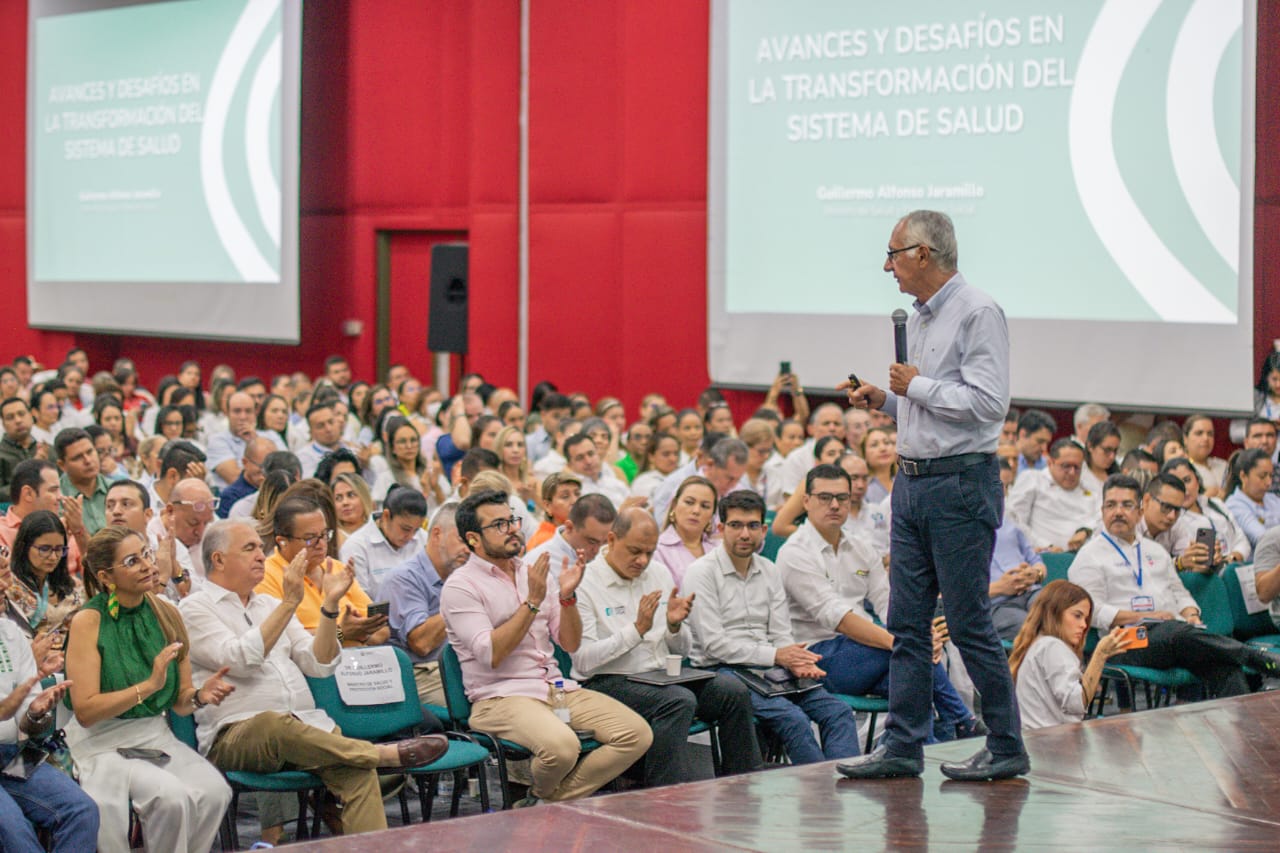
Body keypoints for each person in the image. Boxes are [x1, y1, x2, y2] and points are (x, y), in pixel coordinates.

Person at [838, 210, 1027, 782]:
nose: (887, 266)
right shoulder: (919, 318)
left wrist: (915, 385)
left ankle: (1006, 744)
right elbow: (929, 405)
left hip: (959, 484)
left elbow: (988, 404)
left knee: (967, 622)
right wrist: (886, 399)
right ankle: (903, 745)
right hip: (913, 482)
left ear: (923, 253)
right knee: (907, 622)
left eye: (893, 254)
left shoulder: (978, 311)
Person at [181, 519, 448, 837]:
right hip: (237, 734)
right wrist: (290, 602)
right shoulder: (194, 609)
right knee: (274, 724)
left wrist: (329, 607)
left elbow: (318, 663)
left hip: (306, 727)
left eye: (261, 548)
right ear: (219, 559)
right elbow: (241, 659)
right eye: (250, 548)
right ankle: (378, 754)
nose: (261, 556)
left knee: (358, 773)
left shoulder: (268, 604)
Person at [440, 489, 652, 805]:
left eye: (512, 520)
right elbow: (490, 654)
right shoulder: (461, 586)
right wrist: (533, 602)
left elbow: (570, 643)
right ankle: (544, 803)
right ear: (473, 539)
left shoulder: (531, 574)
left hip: (553, 687)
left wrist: (567, 598)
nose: (512, 529)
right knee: (563, 748)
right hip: (500, 697)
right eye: (499, 525)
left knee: (636, 734)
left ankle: (542, 801)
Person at [777, 464, 981, 741]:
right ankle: (961, 720)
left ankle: (929, 745)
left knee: (914, 679)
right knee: (910, 656)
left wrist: (919, 633)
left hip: (868, 654)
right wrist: (904, 640)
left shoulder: (861, 547)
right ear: (806, 501)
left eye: (842, 497)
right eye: (825, 497)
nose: (834, 505)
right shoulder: (794, 553)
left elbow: (887, 602)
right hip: (818, 657)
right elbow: (837, 618)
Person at [64, 526, 234, 853]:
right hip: (102, 740)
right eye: (132, 561)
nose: (147, 565)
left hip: (153, 735)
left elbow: (181, 701)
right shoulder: (89, 621)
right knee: (171, 797)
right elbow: (85, 711)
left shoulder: (167, 612)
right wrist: (148, 686)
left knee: (216, 792)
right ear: (106, 576)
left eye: (145, 554)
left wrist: (199, 696)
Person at [572, 507, 762, 786]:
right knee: (678, 701)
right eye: (635, 551)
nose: (642, 560)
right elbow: (583, 661)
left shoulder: (658, 573)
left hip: (661, 676)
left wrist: (674, 626)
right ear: (611, 540)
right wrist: (636, 630)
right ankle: (663, 794)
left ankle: (742, 785)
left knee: (732, 691)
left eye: (649, 553)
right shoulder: (585, 582)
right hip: (607, 681)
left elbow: (681, 651)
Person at [681, 490, 860, 765]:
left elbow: (780, 633)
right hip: (722, 672)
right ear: (720, 529)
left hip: (770, 669)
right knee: (794, 719)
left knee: (839, 712)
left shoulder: (769, 569)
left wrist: (795, 660)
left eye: (753, 526)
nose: (745, 534)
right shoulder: (701, 572)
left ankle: (844, 782)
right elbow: (713, 645)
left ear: (763, 530)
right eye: (736, 525)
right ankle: (823, 787)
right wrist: (778, 655)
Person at [1068, 474, 1280, 700]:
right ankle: (1256, 658)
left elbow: (1180, 593)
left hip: (1174, 636)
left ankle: (1242, 720)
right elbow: (1092, 612)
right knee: (1176, 633)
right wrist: (1144, 616)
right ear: (1102, 511)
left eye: (1127, 505)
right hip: (1124, 641)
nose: (1118, 512)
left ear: (1140, 511)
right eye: (1111, 505)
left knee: (1224, 665)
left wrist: (1191, 614)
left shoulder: (1155, 551)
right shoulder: (1089, 556)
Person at [0, 613, 99, 852]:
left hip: (9, 753)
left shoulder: (10, 632)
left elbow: (28, 726)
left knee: (82, 810)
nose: (4, 593)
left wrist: (36, 713)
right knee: (14, 832)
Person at [258, 495, 389, 646]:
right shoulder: (266, 576)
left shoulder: (336, 568)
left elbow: (382, 631)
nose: (321, 544)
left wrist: (358, 633)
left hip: (360, 657)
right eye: (310, 538)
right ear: (283, 541)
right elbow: (280, 638)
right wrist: (341, 633)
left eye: (324, 535)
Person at [1008, 580, 1130, 730]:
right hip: (1051, 739)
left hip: (1037, 736)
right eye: (1077, 616)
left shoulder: (1039, 643)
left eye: (1086, 619)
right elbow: (1076, 703)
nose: (1084, 625)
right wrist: (1100, 655)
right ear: (1054, 613)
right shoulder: (1052, 646)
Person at [382, 502, 470, 708]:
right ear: (437, 534)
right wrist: (460, 598)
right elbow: (422, 644)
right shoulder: (403, 579)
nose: (468, 549)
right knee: (488, 700)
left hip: (460, 666)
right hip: (421, 674)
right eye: (461, 540)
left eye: (472, 541)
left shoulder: (461, 574)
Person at [1006, 438, 1098, 552]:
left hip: (1084, 554)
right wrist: (1046, 546)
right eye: (1066, 466)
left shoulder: (1090, 487)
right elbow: (1014, 521)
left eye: (1077, 467)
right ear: (1050, 463)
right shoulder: (1033, 479)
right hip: (1042, 553)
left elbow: (1100, 519)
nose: (1072, 472)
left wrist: (1085, 530)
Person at [4, 510, 85, 639]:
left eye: (59, 549)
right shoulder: (8, 587)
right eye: (44, 549)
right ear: (24, 547)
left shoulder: (71, 585)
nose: (53, 557)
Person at [339, 486, 429, 599]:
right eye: (405, 529)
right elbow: (359, 600)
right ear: (386, 516)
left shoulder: (423, 538)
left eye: (416, 530)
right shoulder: (356, 546)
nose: (411, 536)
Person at [0, 459, 87, 574]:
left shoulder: (63, 527)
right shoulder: (2, 533)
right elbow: (10, 579)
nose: (60, 497)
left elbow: (96, 575)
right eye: (53, 490)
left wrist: (78, 530)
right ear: (28, 494)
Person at [1158, 459, 1249, 565]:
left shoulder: (1216, 504)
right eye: (1176, 485)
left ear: (1197, 480)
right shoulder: (1171, 520)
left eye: (1187, 480)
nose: (1184, 489)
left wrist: (1231, 558)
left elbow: (1241, 539)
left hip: (1234, 564)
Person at [650, 433, 749, 524]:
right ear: (710, 464)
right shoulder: (684, 489)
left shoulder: (740, 490)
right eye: (729, 478)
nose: (733, 485)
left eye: (738, 479)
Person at [525, 493, 616, 588]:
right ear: (569, 527)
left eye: (605, 542)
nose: (598, 550)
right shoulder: (535, 563)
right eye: (592, 541)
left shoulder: (611, 556)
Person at [655, 476, 719, 589]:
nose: (696, 511)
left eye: (705, 506)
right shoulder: (657, 550)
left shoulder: (719, 549)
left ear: (712, 514)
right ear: (674, 505)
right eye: (689, 502)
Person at [55, 428, 109, 536]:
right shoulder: (56, 498)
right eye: (77, 457)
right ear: (62, 465)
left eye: (90, 452)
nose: (88, 461)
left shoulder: (117, 488)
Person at [1225, 448, 1280, 548]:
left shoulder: (1272, 499)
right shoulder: (1234, 505)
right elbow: (1262, 538)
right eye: (1262, 476)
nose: (1269, 482)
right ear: (1243, 476)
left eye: (1271, 476)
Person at [215, 435, 276, 520]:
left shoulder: (279, 490)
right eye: (262, 467)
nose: (268, 472)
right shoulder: (230, 497)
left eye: (273, 467)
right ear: (245, 462)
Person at [563, 433, 630, 508]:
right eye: (580, 458)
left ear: (597, 454)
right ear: (569, 465)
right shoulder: (571, 493)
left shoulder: (616, 483)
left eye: (591, 454)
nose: (588, 461)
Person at [527, 472, 581, 551]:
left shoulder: (585, 532)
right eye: (565, 496)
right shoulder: (545, 541)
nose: (575, 500)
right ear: (547, 506)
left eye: (577, 494)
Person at [0, 397, 40, 503]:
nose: (18, 420)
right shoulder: (2, 454)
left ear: (31, 416)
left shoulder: (46, 449)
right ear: (3, 424)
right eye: (10, 417)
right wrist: (30, 474)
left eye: (21, 414)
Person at [1183, 414, 1228, 498]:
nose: (1206, 438)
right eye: (1199, 433)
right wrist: (1206, 497)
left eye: (1210, 434)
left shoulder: (1223, 465)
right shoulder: (1182, 469)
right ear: (1185, 439)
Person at [630, 432, 680, 504]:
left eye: (676, 454)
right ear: (651, 457)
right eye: (666, 454)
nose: (673, 459)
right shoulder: (644, 482)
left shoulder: (685, 478)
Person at [1080, 421, 1122, 497]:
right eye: (1107, 450)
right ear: (1090, 446)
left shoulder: (1119, 474)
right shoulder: (1078, 475)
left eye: (1115, 451)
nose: (1112, 456)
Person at [332, 471, 374, 539]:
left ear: (364, 497)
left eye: (351, 495)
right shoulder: (330, 537)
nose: (345, 502)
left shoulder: (378, 530)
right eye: (338, 498)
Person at [1013, 409, 1056, 474]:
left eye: (1047, 443)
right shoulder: (1002, 463)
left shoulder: (1048, 466)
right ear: (1023, 434)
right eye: (1040, 441)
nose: (1044, 448)